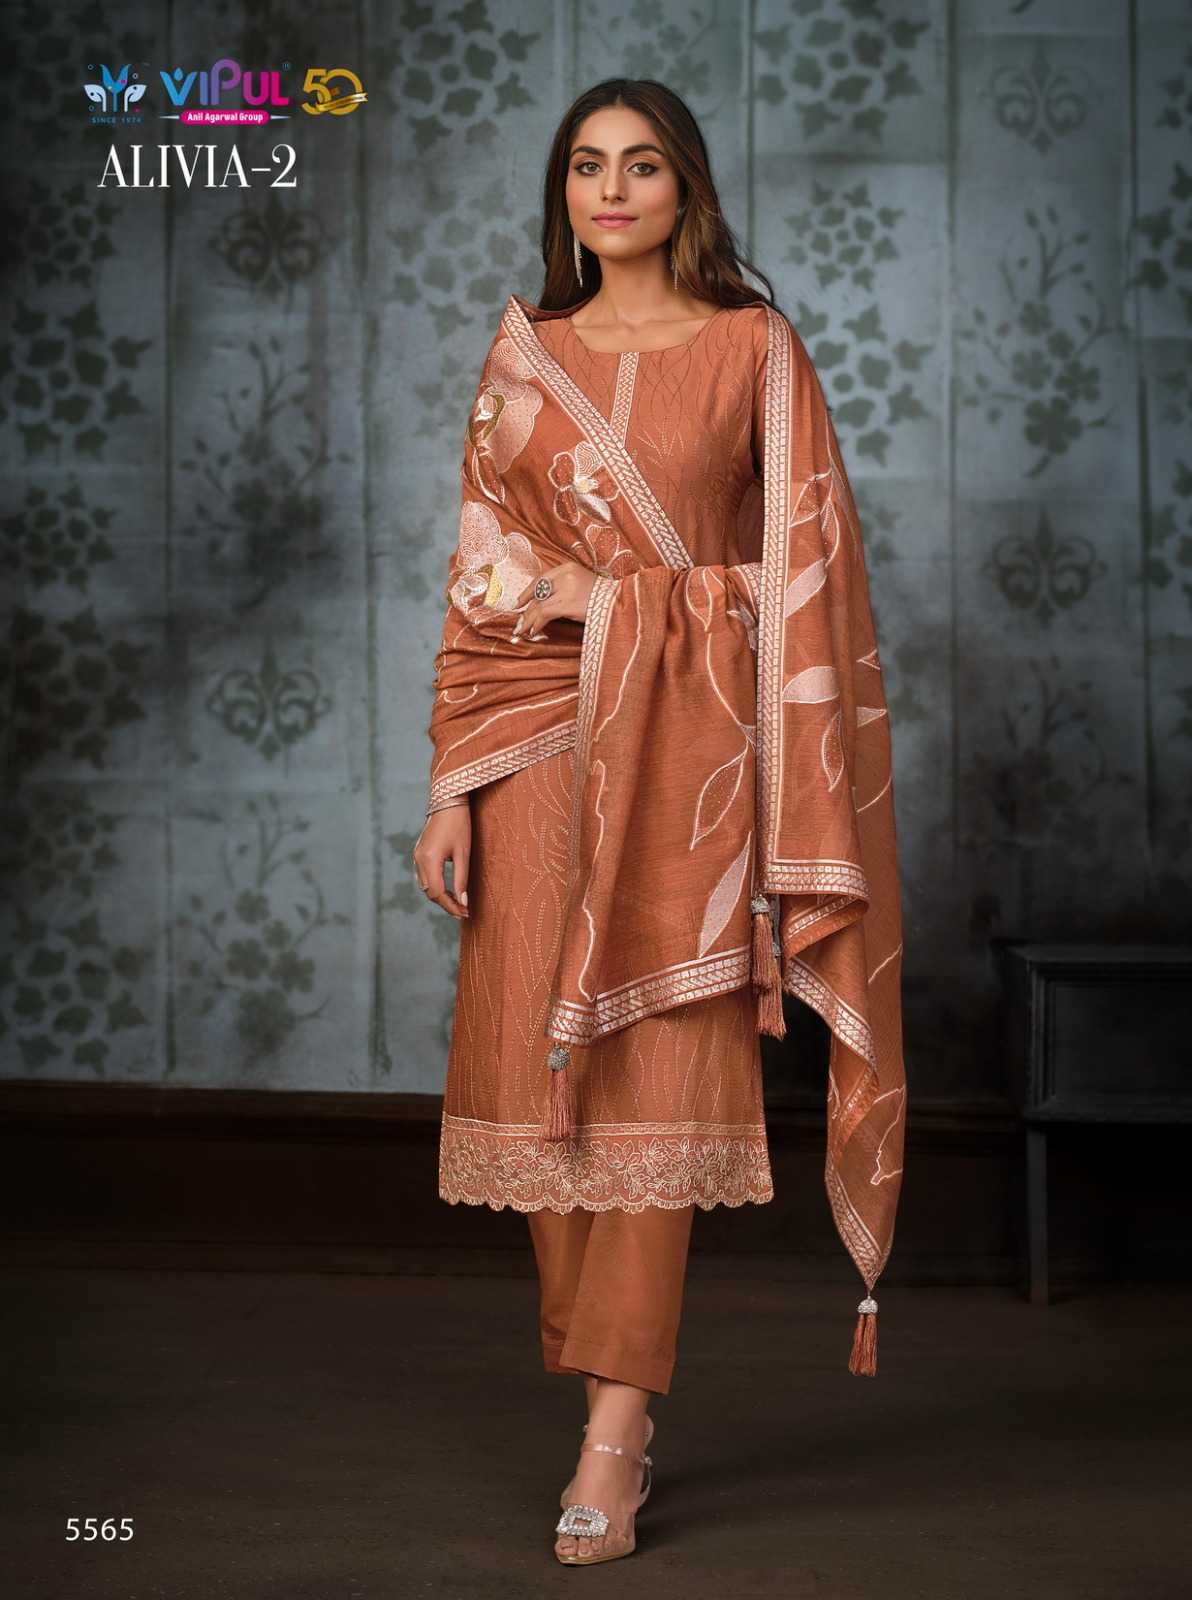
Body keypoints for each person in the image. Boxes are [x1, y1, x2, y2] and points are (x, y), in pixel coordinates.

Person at [413, 77, 907, 1568]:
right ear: (563, 193)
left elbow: (806, 583)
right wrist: (450, 788)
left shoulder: (755, 351)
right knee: (545, 1093)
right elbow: (478, 584)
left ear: (685, 187)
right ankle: (607, 1383)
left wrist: (614, 595)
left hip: (690, 774)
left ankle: (614, 1437)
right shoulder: (526, 357)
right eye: (587, 166)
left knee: (658, 1094)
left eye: (641, 165)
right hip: (533, 760)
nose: (612, 190)